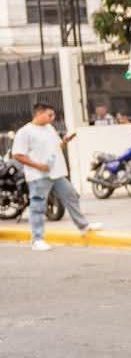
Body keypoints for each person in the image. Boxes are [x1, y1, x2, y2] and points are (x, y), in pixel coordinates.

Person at [11, 103, 101, 251]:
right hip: (38, 175)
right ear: (39, 114)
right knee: (38, 206)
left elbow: (55, 147)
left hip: (56, 173)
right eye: (49, 115)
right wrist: (38, 165)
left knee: (71, 195)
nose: (52, 118)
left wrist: (65, 141)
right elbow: (18, 154)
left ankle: (83, 225)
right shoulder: (25, 132)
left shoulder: (49, 129)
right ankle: (37, 239)